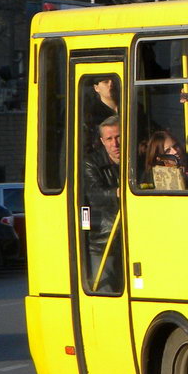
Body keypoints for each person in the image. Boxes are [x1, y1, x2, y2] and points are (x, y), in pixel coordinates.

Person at [81, 115, 122, 291]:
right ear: (102, 141)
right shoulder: (91, 163)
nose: (115, 143)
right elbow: (94, 195)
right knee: (106, 289)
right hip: (105, 239)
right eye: (109, 139)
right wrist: (118, 193)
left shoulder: (136, 159)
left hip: (134, 238)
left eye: (118, 137)